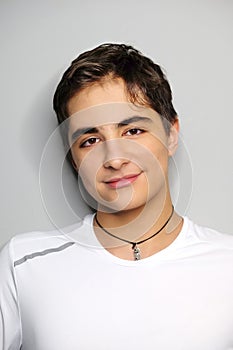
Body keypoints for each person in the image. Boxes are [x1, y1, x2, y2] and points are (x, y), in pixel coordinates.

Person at [0, 43, 233, 350]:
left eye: (133, 131)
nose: (114, 158)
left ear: (171, 134)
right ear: (73, 158)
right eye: (91, 139)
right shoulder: (23, 263)